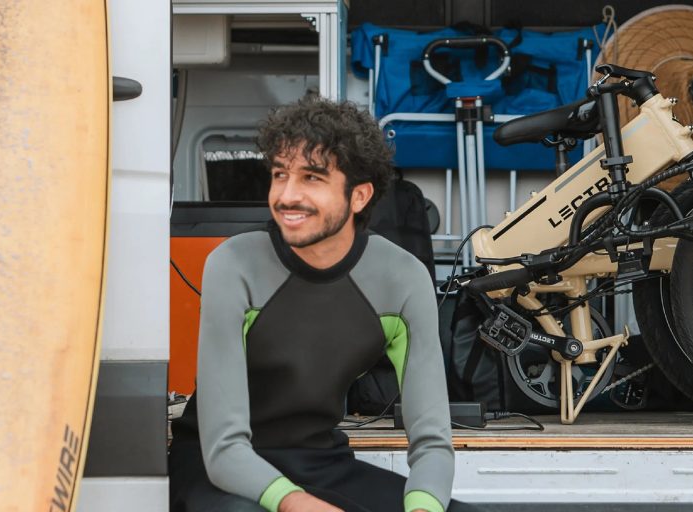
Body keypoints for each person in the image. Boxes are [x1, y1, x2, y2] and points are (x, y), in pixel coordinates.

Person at [170, 97, 472, 512]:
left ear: (359, 195)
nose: (287, 196)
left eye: (312, 178)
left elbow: (432, 441)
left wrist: (423, 507)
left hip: (320, 462)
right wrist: (297, 504)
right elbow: (224, 449)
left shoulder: (402, 278)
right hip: (216, 470)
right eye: (280, 175)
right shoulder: (233, 264)